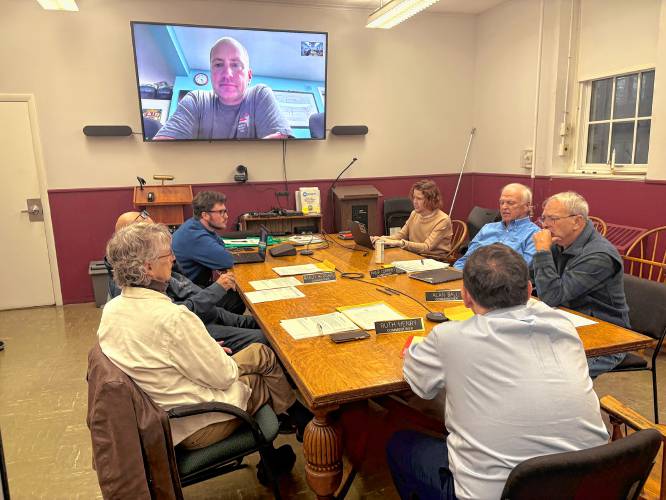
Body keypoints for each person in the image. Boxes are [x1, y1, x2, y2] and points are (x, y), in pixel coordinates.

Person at [387, 244, 609, 500]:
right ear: (528, 290)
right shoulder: (563, 325)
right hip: (589, 485)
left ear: (466, 297)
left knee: (400, 445)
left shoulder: (449, 338)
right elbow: (535, 306)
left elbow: (420, 385)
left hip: (502, 493)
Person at [99, 222, 311, 459]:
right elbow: (224, 376)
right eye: (167, 254)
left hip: (159, 414)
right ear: (148, 268)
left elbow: (156, 353)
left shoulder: (111, 310)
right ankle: (301, 428)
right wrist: (212, 352)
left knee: (260, 355)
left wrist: (201, 349)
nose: (172, 258)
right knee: (263, 372)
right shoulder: (173, 317)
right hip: (195, 424)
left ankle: (282, 445)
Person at [106, 211, 268, 352]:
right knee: (265, 338)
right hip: (194, 324)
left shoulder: (155, 271)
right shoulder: (132, 286)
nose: (173, 258)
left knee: (262, 324)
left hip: (203, 313)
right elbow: (173, 321)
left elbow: (187, 287)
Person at [531, 191, 629, 377]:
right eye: (544, 218)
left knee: (551, 374)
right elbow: (526, 279)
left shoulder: (600, 255)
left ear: (577, 221)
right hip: (566, 324)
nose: (545, 225)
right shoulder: (558, 243)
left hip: (606, 338)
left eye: (553, 218)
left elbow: (551, 297)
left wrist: (542, 253)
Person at [154, 37, 292, 140]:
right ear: (211, 73)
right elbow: (162, 148)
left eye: (236, 64)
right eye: (219, 65)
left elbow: (282, 146)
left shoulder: (259, 95)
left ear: (249, 76)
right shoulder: (196, 100)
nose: (227, 74)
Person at [172, 191, 246, 314]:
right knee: (236, 298)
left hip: (192, 286)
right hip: (189, 296)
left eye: (225, 211)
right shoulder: (195, 235)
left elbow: (220, 245)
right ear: (205, 215)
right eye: (221, 212)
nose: (226, 216)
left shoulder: (197, 225)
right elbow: (226, 260)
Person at [453, 183, 539, 269]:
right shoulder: (487, 228)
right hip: (471, 278)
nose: (504, 207)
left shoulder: (534, 234)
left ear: (527, 206)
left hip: (504, 280)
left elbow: (522, 269)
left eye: (510, 203)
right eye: (502, 202)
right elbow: (465, 260)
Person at [373, 179, 453, 260]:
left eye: (419, 198)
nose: (414, 201)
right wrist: (381, 238)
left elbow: (427, 247)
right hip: (415, 256)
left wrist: (400, 243)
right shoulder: (414, 213)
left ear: (431, 200)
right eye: (414, 197)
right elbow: (400, 236)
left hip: (435, 260)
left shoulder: (443, 220)